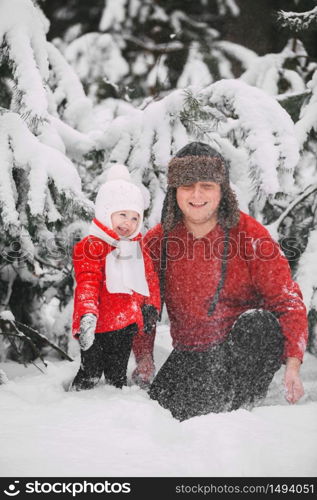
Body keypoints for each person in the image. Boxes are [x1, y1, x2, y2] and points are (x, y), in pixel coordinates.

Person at [132, 141, 308, 421]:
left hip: (241, 351)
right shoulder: (159, 241)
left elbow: (286, 299)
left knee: (259, 323)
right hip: (191, 355)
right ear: (174, 191)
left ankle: (242, 411)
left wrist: (293, 365)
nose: (197, 194)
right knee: (162, 417)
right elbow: (144, 307)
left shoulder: (249, 235)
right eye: (187, 185)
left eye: (207, 185)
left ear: (222, 190)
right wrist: (144, 357)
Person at [71, 164, 160, 391]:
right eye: (122, 215)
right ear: (105, 212)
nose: (127, 223)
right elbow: (87, 283)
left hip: (125, 324)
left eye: (134, 218)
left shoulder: (136, 247)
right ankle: (74, 404)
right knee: (90, 371)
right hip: (97, 325)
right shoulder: (92, 246)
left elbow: (149, 279)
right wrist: (87, 314)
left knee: (116, 374)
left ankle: (115, 409)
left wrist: (151, 305)